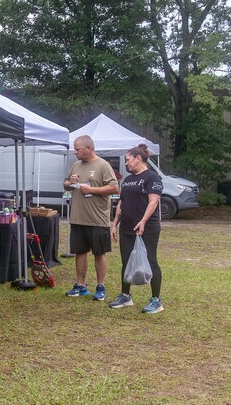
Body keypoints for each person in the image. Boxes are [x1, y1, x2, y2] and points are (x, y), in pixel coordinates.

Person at [110, 144, 164, 314]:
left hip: (147, 228)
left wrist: (143, 221)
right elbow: (121, 203)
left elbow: (153, 202)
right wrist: (114, 223)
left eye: (128, 160)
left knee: (151, 261)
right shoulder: (127, 180)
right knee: (126, 261)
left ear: (138, 158)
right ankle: (125, 296)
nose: (126, 163)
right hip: (126, 228)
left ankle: (156, 301)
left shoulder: (152, 177)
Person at [63, 135, 119, 300]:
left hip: (97, 219)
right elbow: (65, 184)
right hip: (78, 218)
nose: (75, 152)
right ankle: (81, 285)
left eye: (78, 149)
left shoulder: (103, 165)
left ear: (88, 148)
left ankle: (100, 287)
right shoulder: (76, 165)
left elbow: (114, 188)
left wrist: (92, 190)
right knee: (80, 252)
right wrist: (70, 183)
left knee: (99, 253)